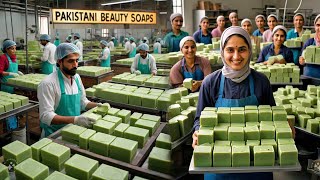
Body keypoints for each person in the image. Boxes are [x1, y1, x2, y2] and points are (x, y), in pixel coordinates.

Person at [192, 27, 276, 180]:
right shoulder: (210, 82)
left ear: (250, 51)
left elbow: (272, 117)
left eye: (242, 49)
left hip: (257, 164)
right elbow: (199, 119)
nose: (236, 56)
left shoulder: (261, 81)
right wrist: (197, 132)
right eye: (230, 50)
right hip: (218, 166)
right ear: (222, 52)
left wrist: (284, 123)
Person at [38, 43, 100, 137]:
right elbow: (46, 116)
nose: (75, 65)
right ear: (59, 61)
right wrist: (75, 120)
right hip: (54, 134)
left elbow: (82, 102)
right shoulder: (48, 83)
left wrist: (97, 106)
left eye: (77, 60)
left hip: (74, 131)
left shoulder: (77, 78)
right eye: (70, 61)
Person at [299, 14, 320, 78]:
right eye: (318, 25)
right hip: (309, 77)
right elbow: (301, 59)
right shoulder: (309, 42)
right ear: (314, 26)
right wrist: (301, 61)